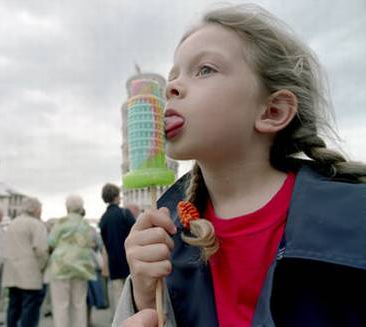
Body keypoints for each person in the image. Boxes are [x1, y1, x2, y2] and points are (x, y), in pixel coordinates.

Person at [116, 4, 366, 326]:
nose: (171, 88)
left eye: (204, 69)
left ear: (272, 111)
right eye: (173, 75)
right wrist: (144, 299)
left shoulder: (353, 218)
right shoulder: (166, 233)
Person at [47, 195, 95, 327]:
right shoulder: (85, 224)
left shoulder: (61, 221)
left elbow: (51, 241)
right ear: (81, 207)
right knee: (79, 305)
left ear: (67, 207)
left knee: (60, 305)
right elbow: (91, 242)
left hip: (61, 266)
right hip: (81, 267)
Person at [2, 197, 48, 327]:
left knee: (13, 308)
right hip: (30, 273)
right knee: (30, 310)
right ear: (36, 210)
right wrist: (43, 267)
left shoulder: (12, 224)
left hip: (12, 272)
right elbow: (40, 250)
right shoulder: (36, 224)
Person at [98, 183, 135, 314]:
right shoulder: (125, 213)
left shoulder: (103, 219)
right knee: (133, 296)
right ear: (116, 197)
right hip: (129, 261)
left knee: (118, 297)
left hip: (113, 263)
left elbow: (104, 242)